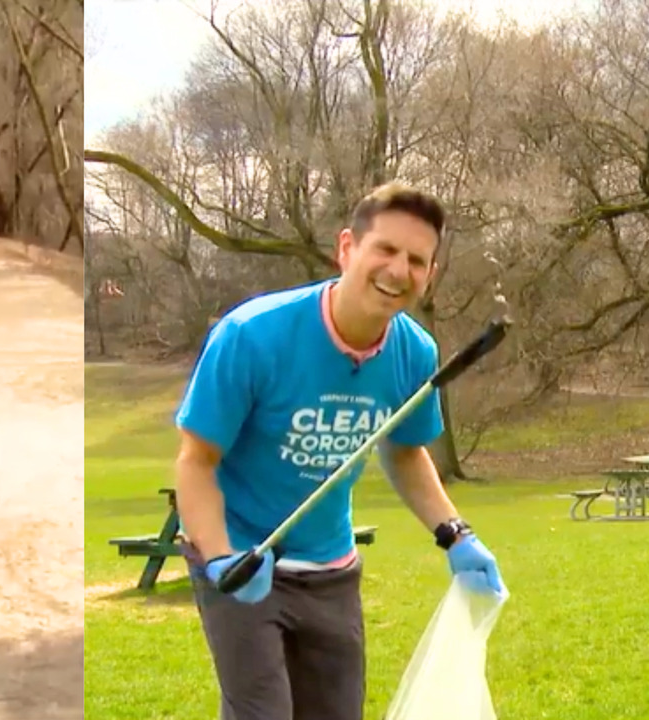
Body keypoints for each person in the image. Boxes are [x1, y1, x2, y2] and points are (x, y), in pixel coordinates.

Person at [173, 182, 507, 720]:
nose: (399, 270)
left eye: (417, 260)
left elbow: (404, 452)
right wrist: (219, 559)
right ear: (347, 247)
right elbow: (196, 461)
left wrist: (456, 535)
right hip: (240, 557)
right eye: (386, 249)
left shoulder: (414, 352)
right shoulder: (251, 335)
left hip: (331, 569)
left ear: (431, 275)